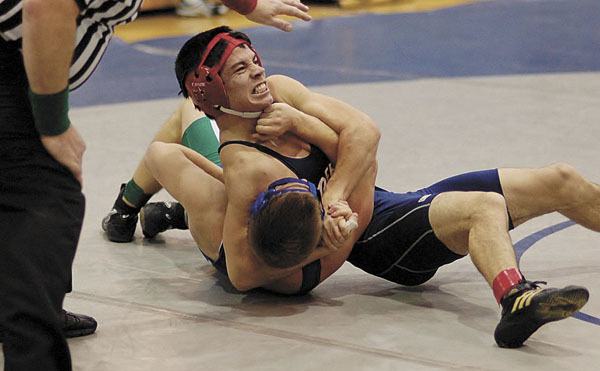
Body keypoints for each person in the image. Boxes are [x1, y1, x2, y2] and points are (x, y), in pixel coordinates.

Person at [137, 26, 596, 349]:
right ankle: (515, 298)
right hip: (375, 231)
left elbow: (364, 133)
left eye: (255, 59)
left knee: (561, 179)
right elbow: (243, 274)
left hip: (372, 203)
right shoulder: (246, 166)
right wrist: (324, 239)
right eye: (241, 70)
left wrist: (326, 174)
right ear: (212, 92)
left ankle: (159, 214)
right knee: (483, 208)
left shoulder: (280, 92)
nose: (259, 72)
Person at [0, 2, 312, 371]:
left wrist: (248, 5)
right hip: (15, 69)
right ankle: (34, 333)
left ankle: (42, 303)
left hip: (22, 66)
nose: (258, 70)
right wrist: (53, 123)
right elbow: (47, 5)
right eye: (241, 66)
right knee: (45, 206)